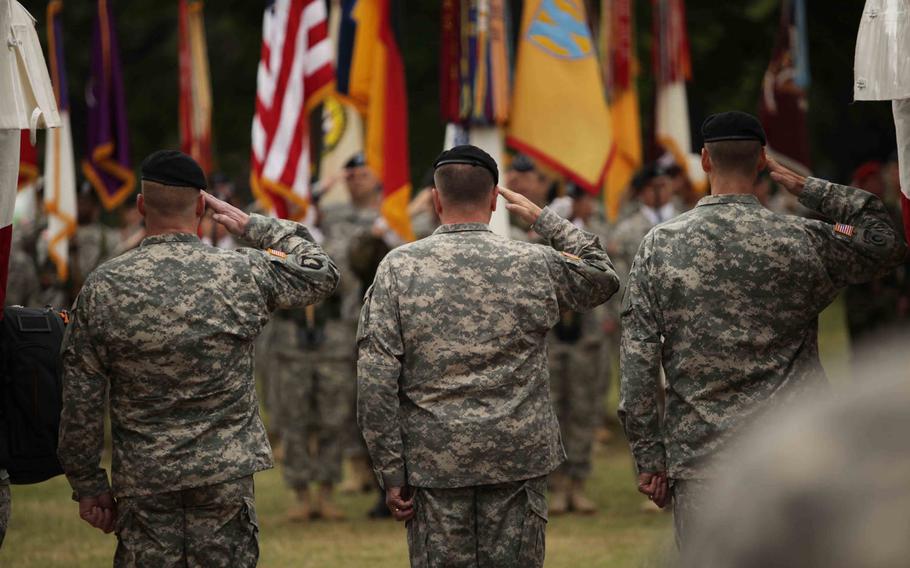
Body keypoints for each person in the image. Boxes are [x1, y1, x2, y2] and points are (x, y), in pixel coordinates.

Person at [618, 111, 908, 547]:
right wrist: (804, 185)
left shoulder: (660, 244)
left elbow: (639, 361)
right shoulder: (802, 237)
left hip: (702, 460)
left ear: (704, 160)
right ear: (762, 162)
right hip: (796, 456)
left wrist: (650, 457)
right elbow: (884, 240)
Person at [57, 150, 339, 566]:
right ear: (203, 208)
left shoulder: (104, 285)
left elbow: (80, 394)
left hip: (145, 477)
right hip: (223, 475)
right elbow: (320, 273)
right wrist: (253, 225)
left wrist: (87, 481)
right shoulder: (241, 271)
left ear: (140, 206)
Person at [357, 145, 619, 567]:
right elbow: (603, 278)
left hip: (434, 461)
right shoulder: (533, 262)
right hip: (516, 457)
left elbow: (375, 379)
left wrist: (390, 472)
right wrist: (543, 218)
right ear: (496, 200)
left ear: (436, 199)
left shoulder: (398, 268)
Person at [546, 183, 612, 515]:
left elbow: (607, 273)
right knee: (554, 410)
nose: (581, 204)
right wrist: (554, 226)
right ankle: (557, 484)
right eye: (576, 198)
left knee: (585, 410)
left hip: (587, 336)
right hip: (553, 335)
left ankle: (578, 484)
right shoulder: (545, 231)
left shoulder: (597, 232)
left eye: (584, 198)